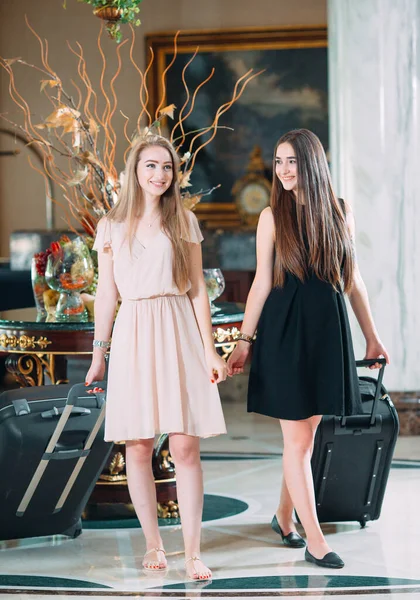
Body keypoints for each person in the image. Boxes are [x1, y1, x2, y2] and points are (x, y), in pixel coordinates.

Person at [227, 129, 389, 569]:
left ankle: (283, 517)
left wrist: (372, 335)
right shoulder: (271, 217)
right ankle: (314, 539)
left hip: (327, 330)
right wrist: (244, 341)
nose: (282, 170)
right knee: (298, 439)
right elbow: (261, 282)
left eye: (291, 161)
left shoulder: (340, 212)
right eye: (278, 162)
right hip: (285, 331)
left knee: (308, 433)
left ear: (312, 163)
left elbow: (351, 281)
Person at [85, 133, 227, 581]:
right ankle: (153, 543)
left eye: (166, 167)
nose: (159, 175)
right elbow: (106, 294)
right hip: (132, 332)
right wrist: (98, 354)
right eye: (150, 166)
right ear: (134, 170)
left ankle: (192, 551)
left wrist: (210, 350)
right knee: (138, 446)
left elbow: (200, 289)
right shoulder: (110, 226)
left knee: (185, 446)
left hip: (177, 325)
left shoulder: (183, 220)